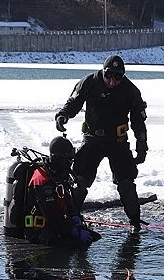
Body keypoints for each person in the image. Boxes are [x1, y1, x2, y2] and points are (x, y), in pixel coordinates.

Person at [54, 55, 147, 229]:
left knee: (126, 183)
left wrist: (141, 145)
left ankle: (135, 222)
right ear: (103, 71)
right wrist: (63, 115)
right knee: (79, 181)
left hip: (117, 141)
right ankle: (68, 219)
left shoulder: (130, 90)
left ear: (123, 76)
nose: (112, 81)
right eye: (109, 75)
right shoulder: (89, 82)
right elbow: (73, 102)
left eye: (117, 77)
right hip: (93, 139)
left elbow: (138, 121)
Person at [24, 137, 100, 247]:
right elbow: (52, 216)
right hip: (39, 231)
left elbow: (67, 200)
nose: (69, 164)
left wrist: (75, 217)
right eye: (67, 160)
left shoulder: (59, 174)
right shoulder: (42, 179)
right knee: (78, 245)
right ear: (57, 159)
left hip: (55, 226)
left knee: (94, 237)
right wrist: (75, 232)